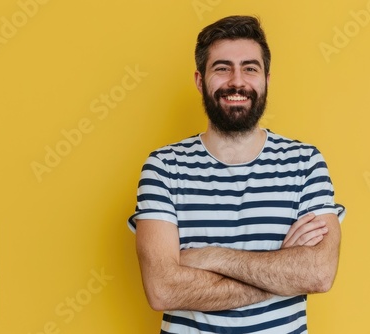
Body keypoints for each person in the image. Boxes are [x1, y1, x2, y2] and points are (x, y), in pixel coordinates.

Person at [128, 15, 346, 334]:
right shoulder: (163, 167)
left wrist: (211, 257)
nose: (237, 82)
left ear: (266, 79)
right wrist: (281, 272)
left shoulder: (305, 163)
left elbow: (319, 274)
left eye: (250, 68)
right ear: (200, 80)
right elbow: (162, 289)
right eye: (222, 68)